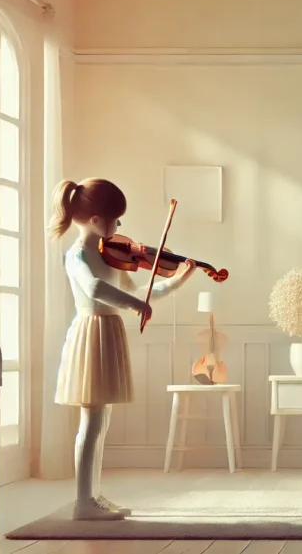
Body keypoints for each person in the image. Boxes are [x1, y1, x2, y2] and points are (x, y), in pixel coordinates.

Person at [49, 177, 196, 520]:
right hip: (92, 331)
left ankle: (94, 495)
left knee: (101, 421)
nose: (118, 226)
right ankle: (83, 501)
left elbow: (143, 292)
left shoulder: (109, 255)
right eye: (115, 219)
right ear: (97, 219)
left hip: (108, 330)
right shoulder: (77, 254)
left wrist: (175, 281)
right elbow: (94, 287)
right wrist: (133, 304)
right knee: (91, 420)